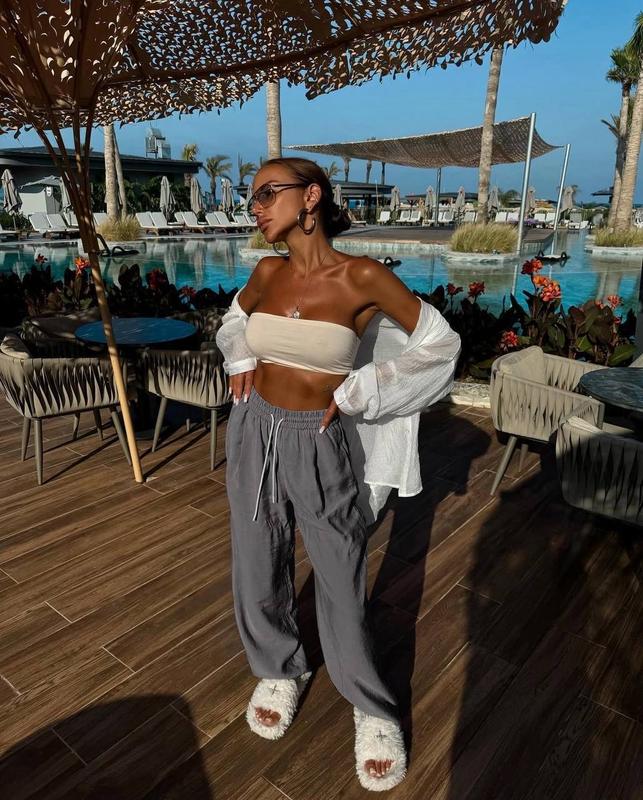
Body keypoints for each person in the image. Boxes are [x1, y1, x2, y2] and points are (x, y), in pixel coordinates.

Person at [216, 157, 460, 792]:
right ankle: (280, 667)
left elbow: (440, 345)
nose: (255, 207)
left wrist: (365, 389)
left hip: (319, 438)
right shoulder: (266, 273)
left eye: (267, 194)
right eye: (251, 196)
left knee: (339, 564)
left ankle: (368, 702)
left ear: (311, 197)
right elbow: (235, 322)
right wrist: (240, 354)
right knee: (256, 557)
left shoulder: (363, 276)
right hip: (253, 427)